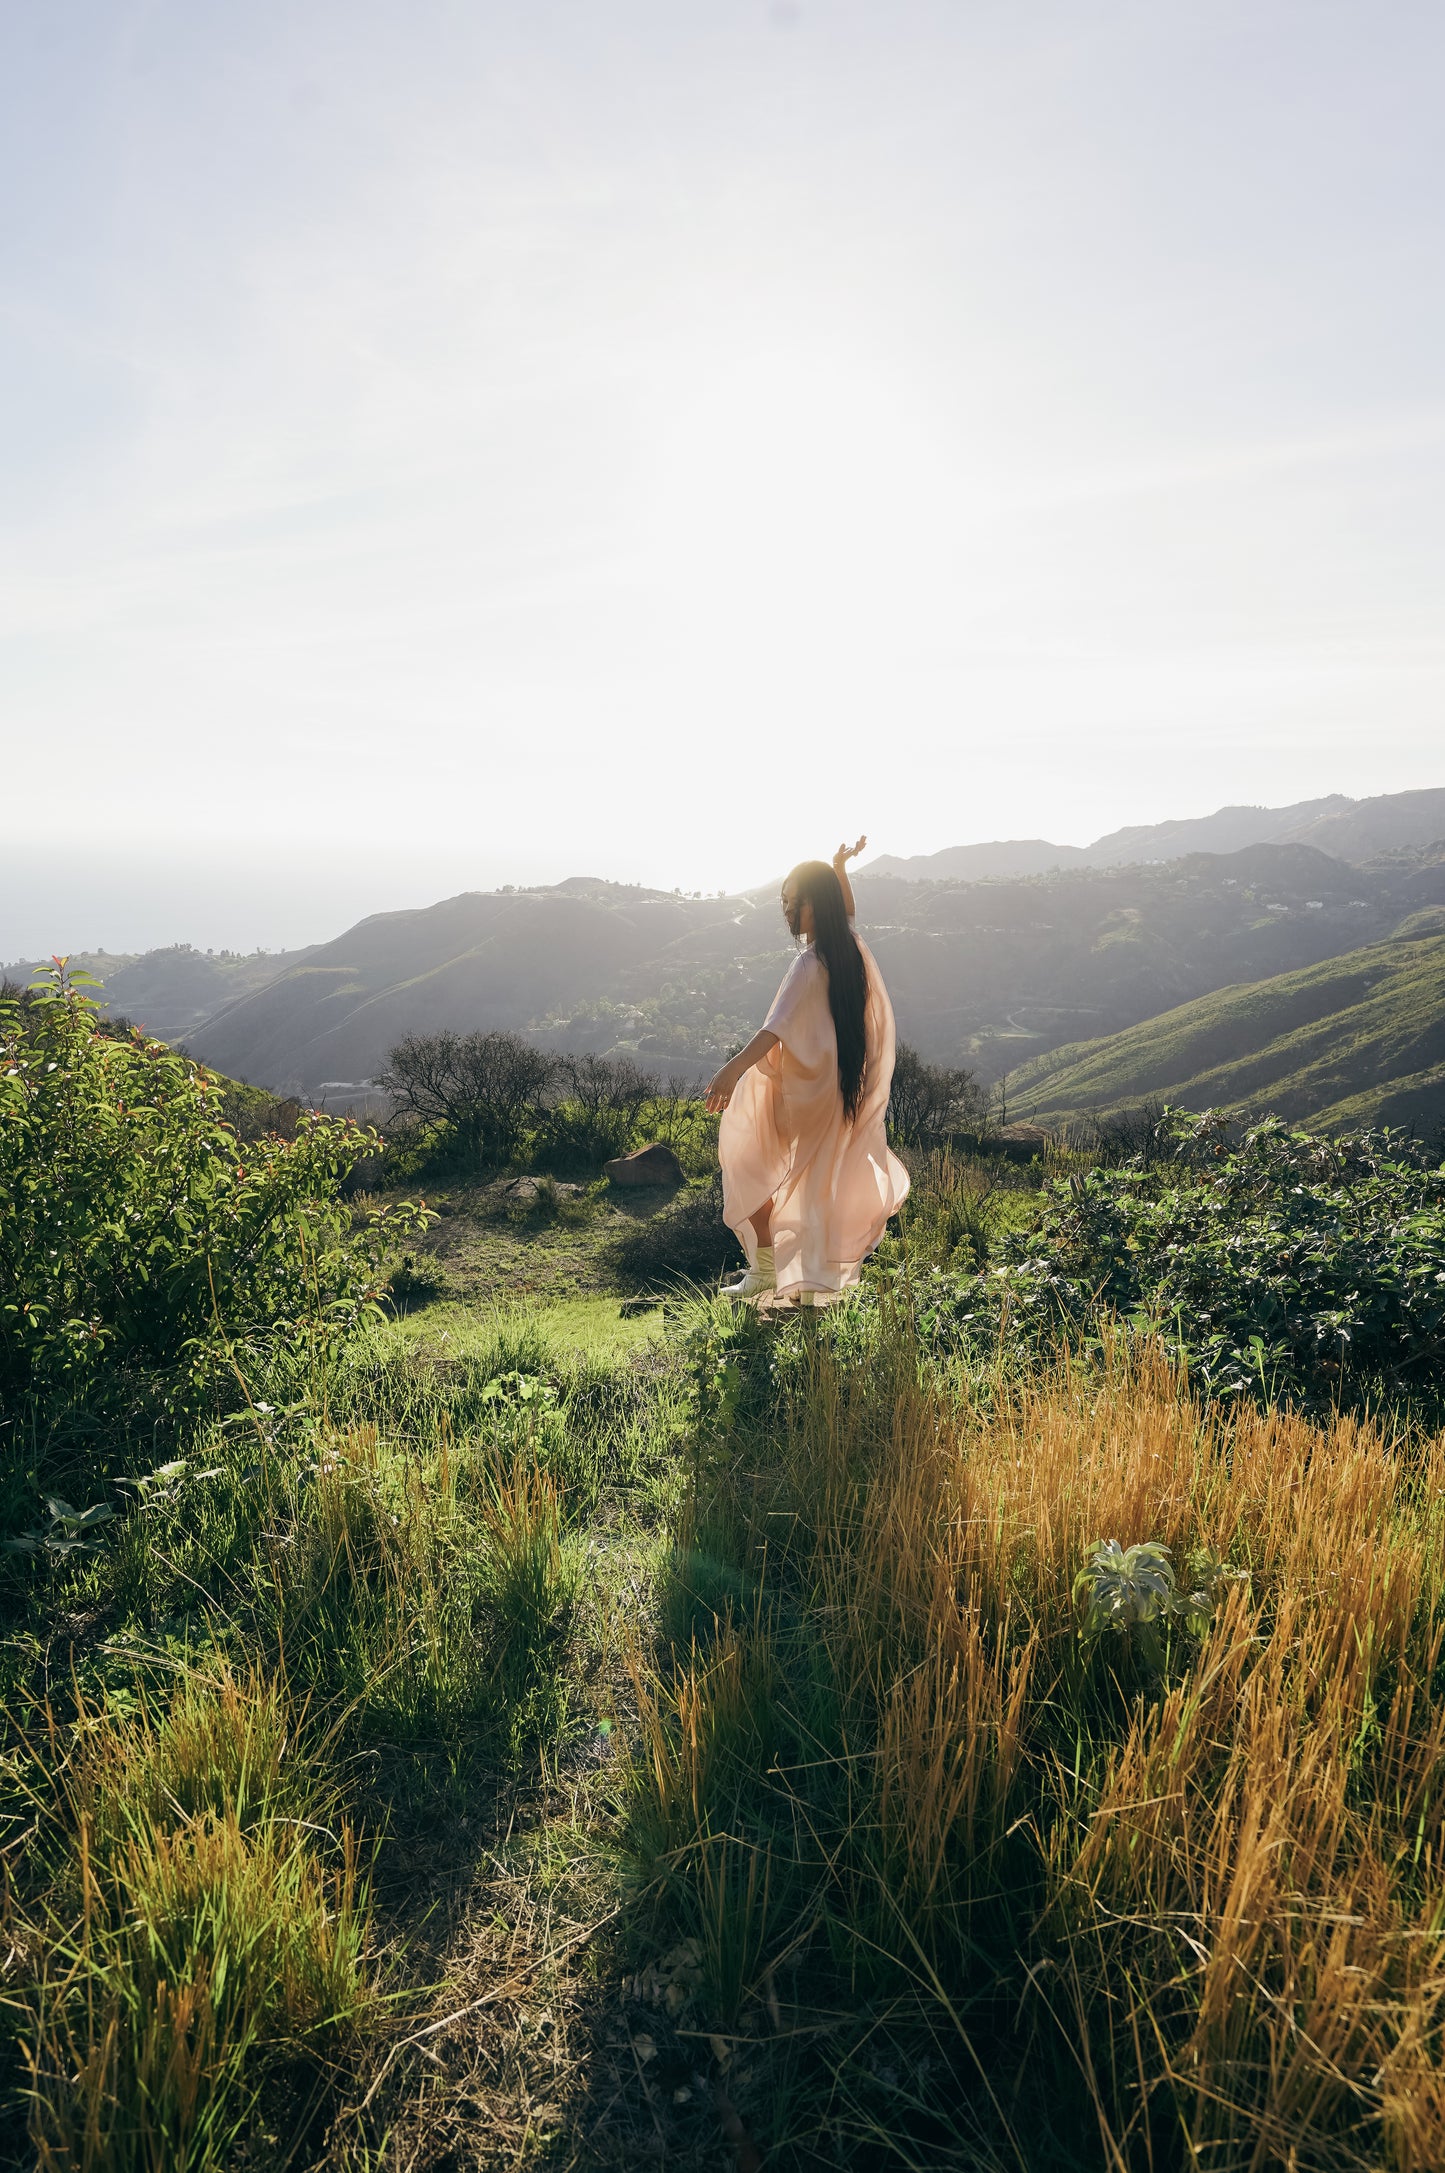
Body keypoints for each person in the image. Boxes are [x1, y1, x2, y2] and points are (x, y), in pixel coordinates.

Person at [704, 836, 910, 1303]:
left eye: (791, 901)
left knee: (747, 1159)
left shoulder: (809, 964)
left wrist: (732, 1072)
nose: (785, 909)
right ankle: (801, 1273)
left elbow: (774, 1030)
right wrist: (838, 868)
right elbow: (848, 912)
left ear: (813, 905)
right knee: (812, 1182)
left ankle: (764, 1271)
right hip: (834, 1091)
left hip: (805, 1094)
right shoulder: (848, 949)